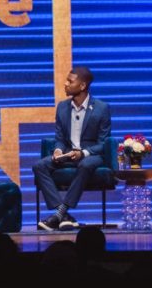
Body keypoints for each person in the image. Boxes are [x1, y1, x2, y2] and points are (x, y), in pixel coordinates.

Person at [32, 66, 112, 231]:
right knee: (39, 165)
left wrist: (83, 153)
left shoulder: (101, 108)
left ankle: (60, 213)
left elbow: (103, 143)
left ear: (82, 86)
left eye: (70, 81)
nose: (65, 84)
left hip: (91, 155)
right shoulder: (62, 107)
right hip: (68, 154)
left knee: (85, 164)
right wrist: (58, 151)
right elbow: (59, 138)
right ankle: (64, 216)